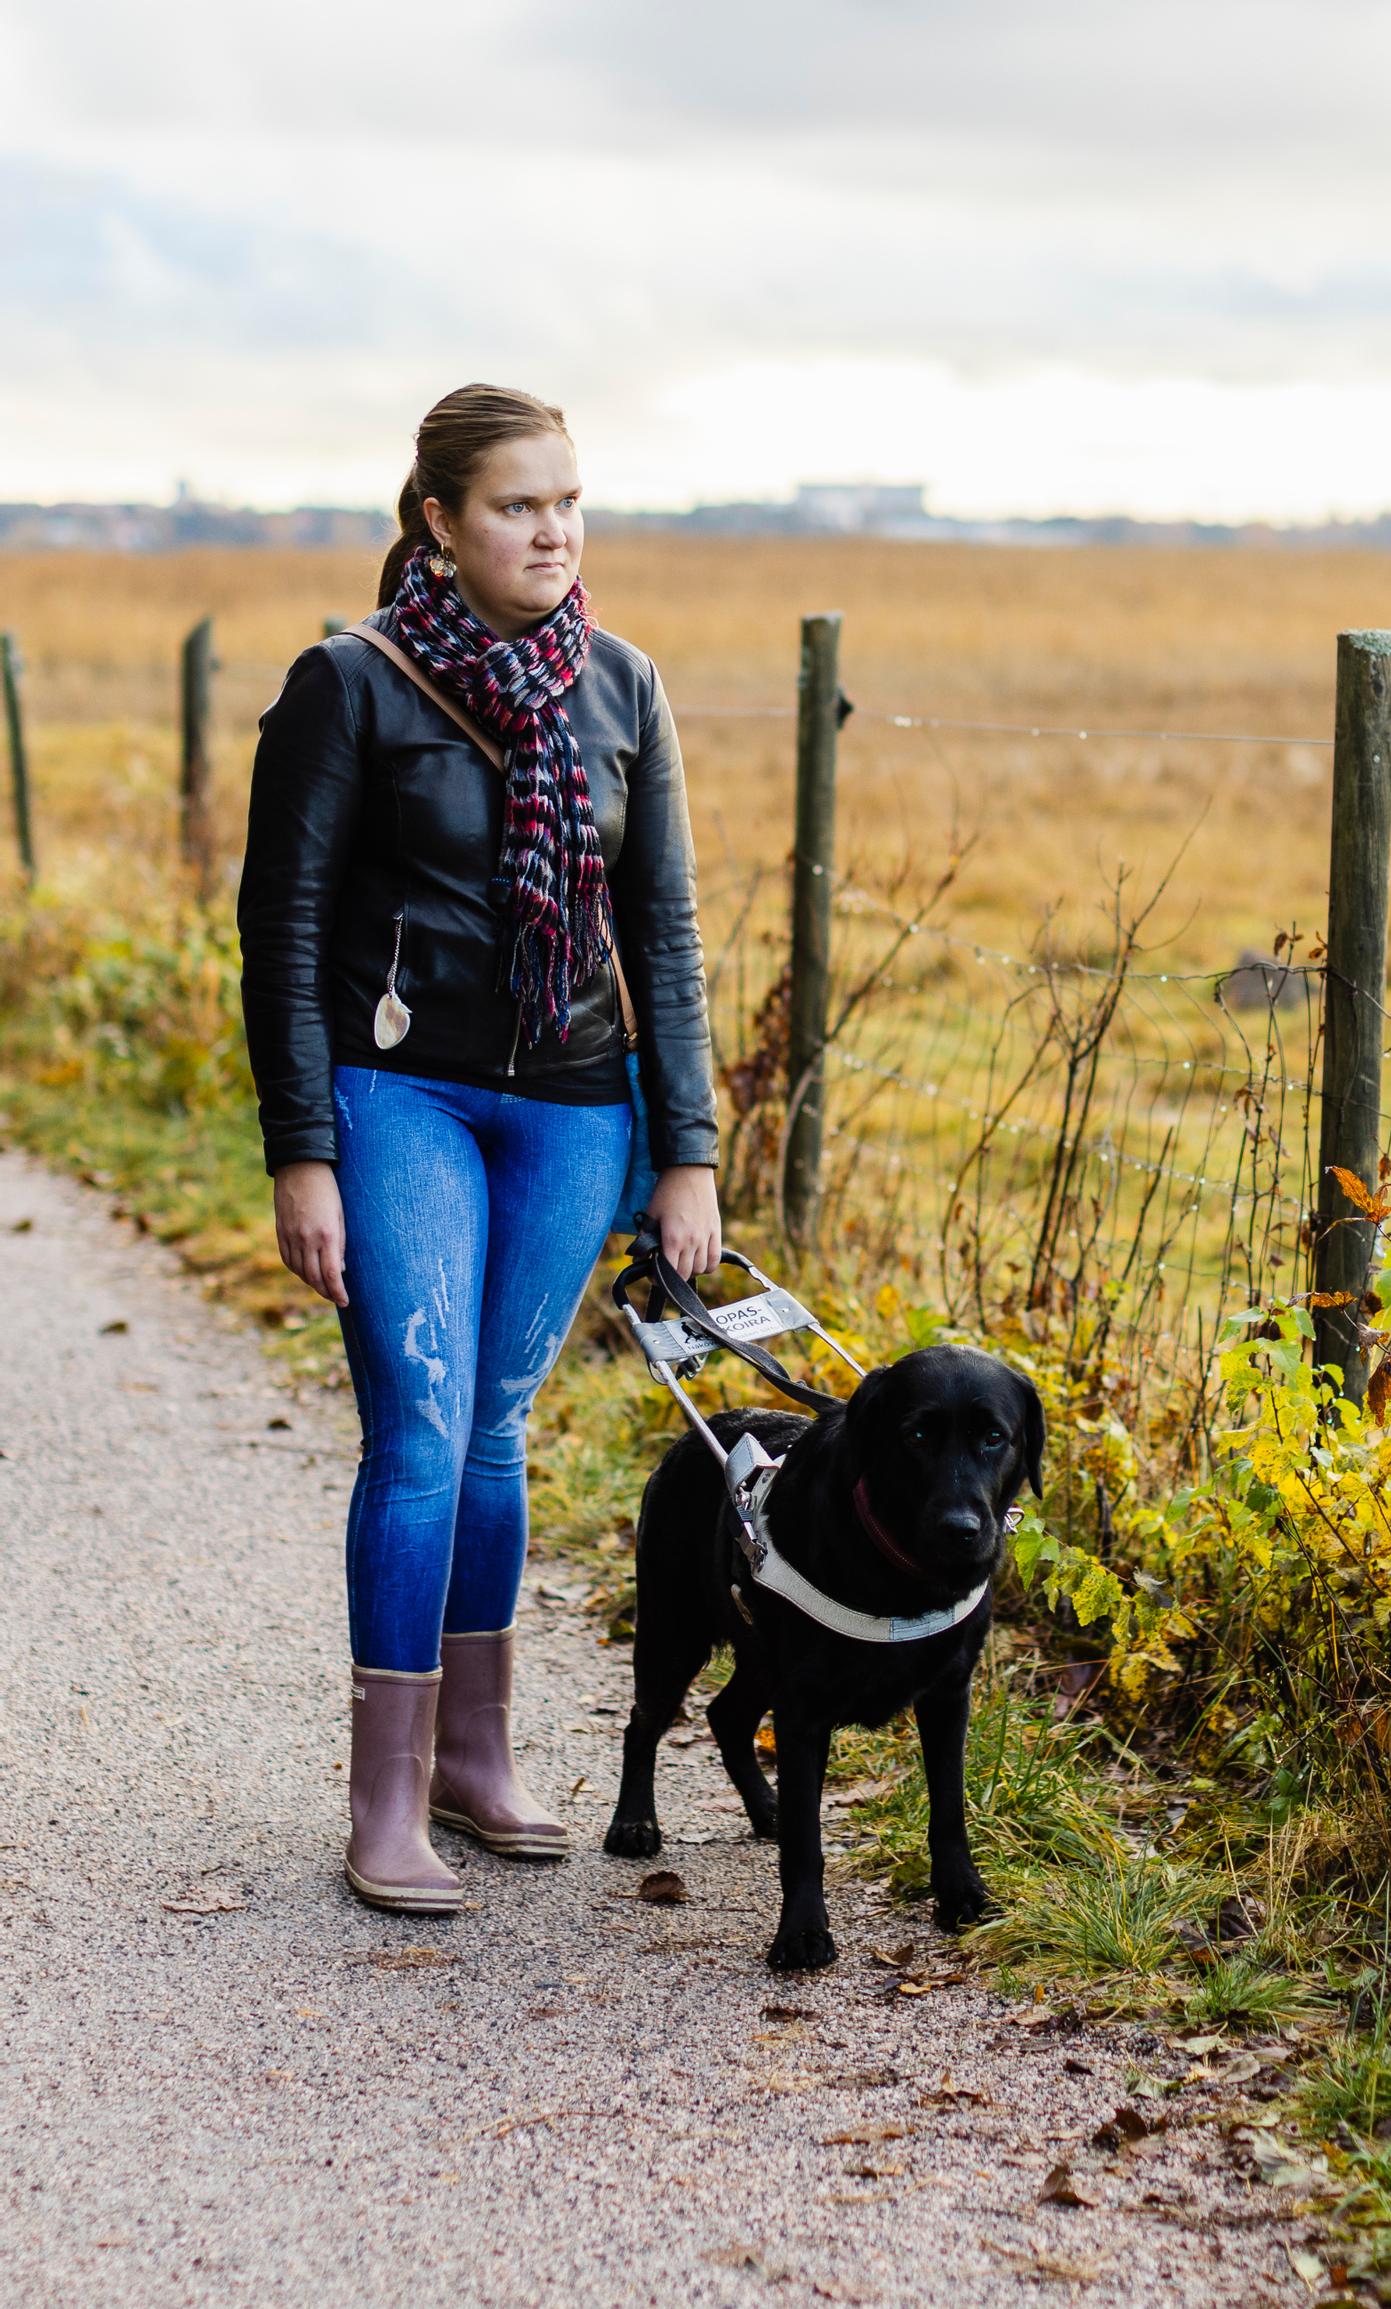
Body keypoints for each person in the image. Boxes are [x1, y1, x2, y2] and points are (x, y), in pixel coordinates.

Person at [237, 383, 721, 1914]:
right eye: (519, 504)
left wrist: (687, 1149)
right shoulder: (351, 686)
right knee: (425, 1430)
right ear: (439, 522)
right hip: (406, 1097)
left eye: (569, 501)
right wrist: (302, 1149)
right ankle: (384, 1798)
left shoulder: (624, 686)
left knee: (498, 1427)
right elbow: (285, 933)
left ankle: (474, 1754)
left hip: (577, 1107)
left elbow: (663, 929)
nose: (554, 530)